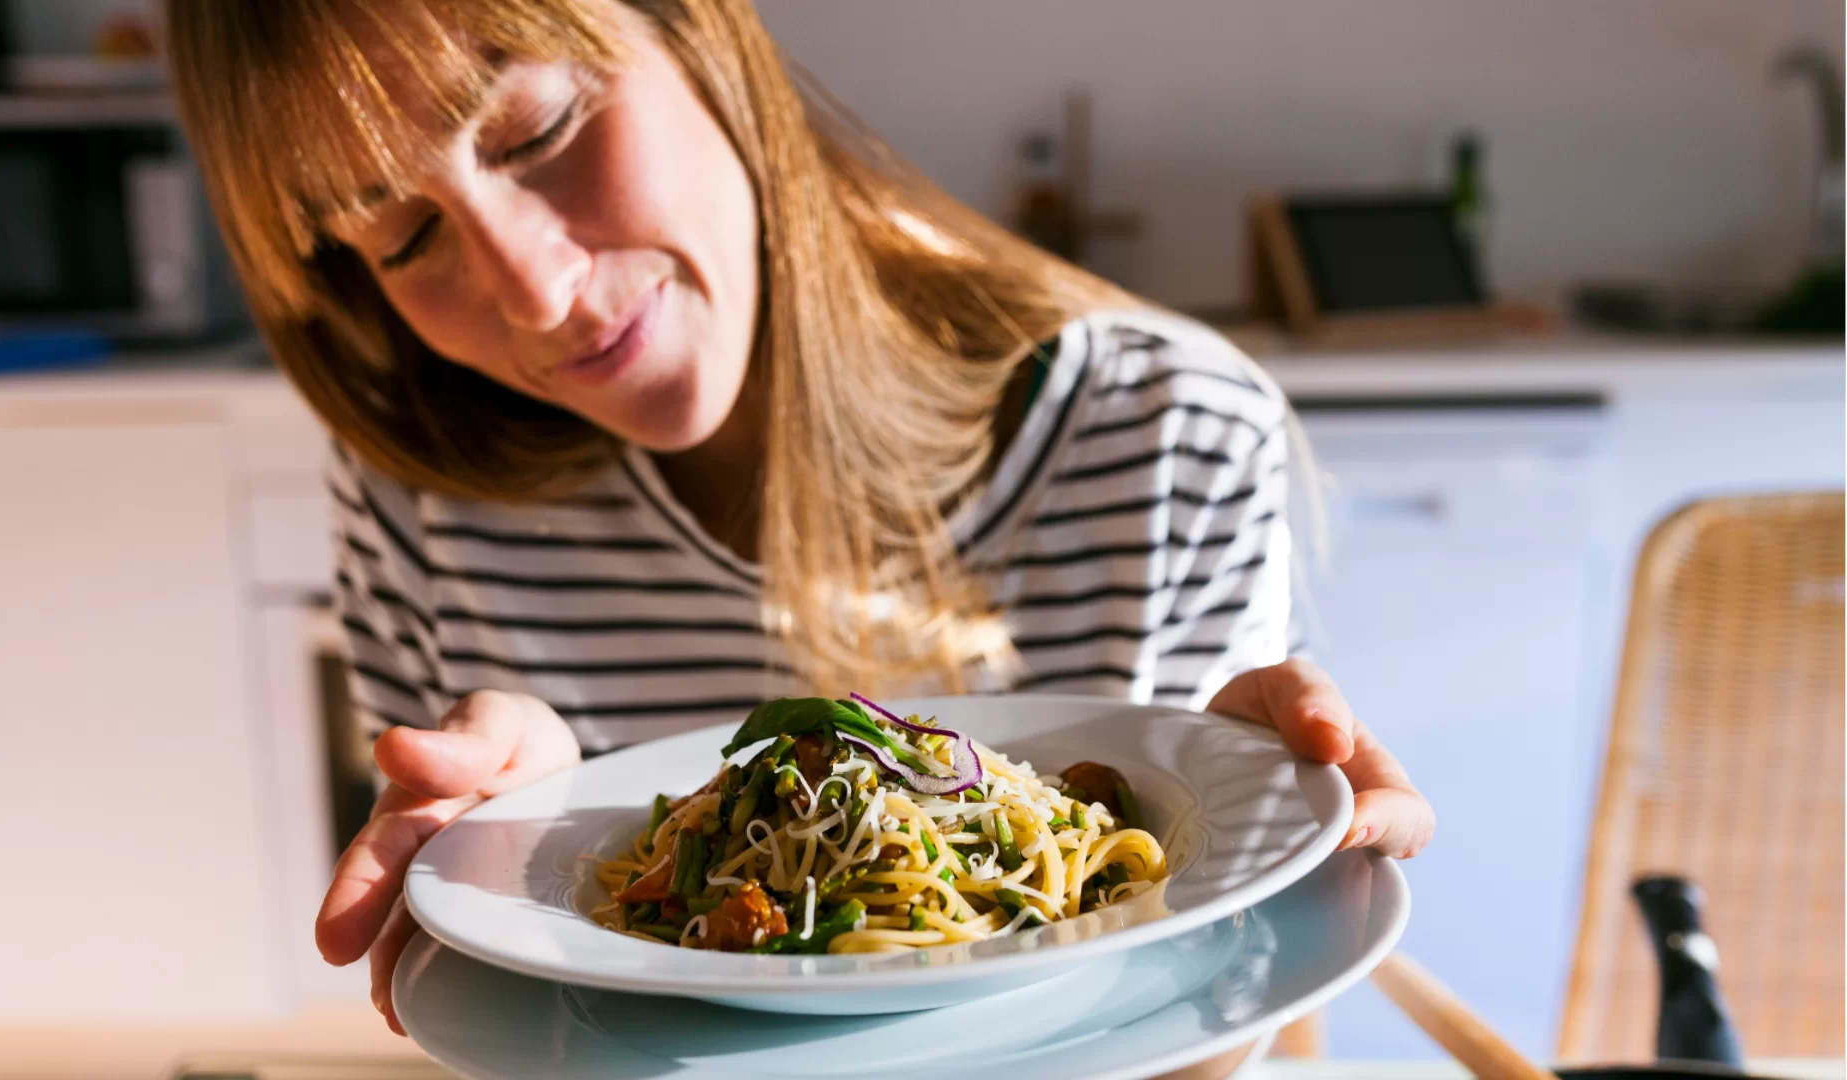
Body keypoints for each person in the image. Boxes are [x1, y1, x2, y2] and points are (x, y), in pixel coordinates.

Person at [164, 0, 1434, 1044]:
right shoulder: (419, 484)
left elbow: (1188, 1015)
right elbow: (514, 1024)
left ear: (701, 34)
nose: (539, 292)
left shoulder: (1167, 434)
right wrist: (515, 858)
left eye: (539, 130)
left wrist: (1249, 896)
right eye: (406, 235)